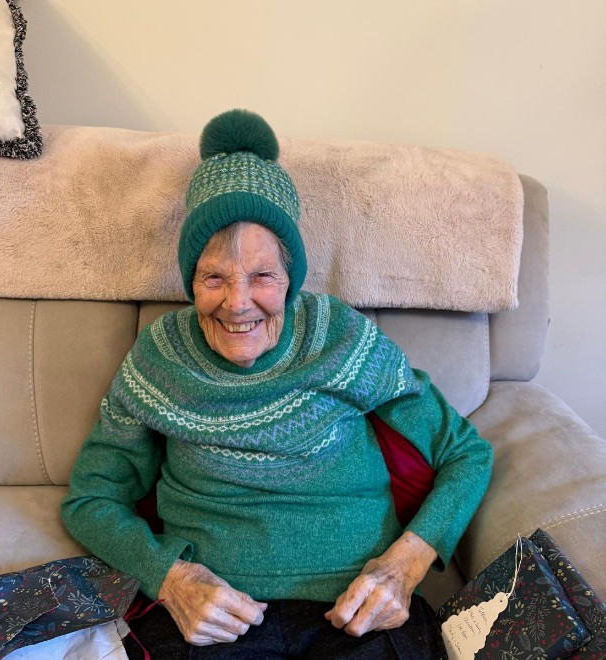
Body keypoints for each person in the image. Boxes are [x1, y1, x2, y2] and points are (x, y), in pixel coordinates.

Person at [61, 109, 493, 659]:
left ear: (291, 277)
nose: (237, 302)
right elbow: (93, 499)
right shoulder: (159, 358)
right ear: (191, 279)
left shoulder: (342, 338)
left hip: (357, 611)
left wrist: (404, 567)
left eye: (262, 275)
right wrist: (171, 579)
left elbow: (465, 454)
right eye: (214, 276)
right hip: (213, 619)